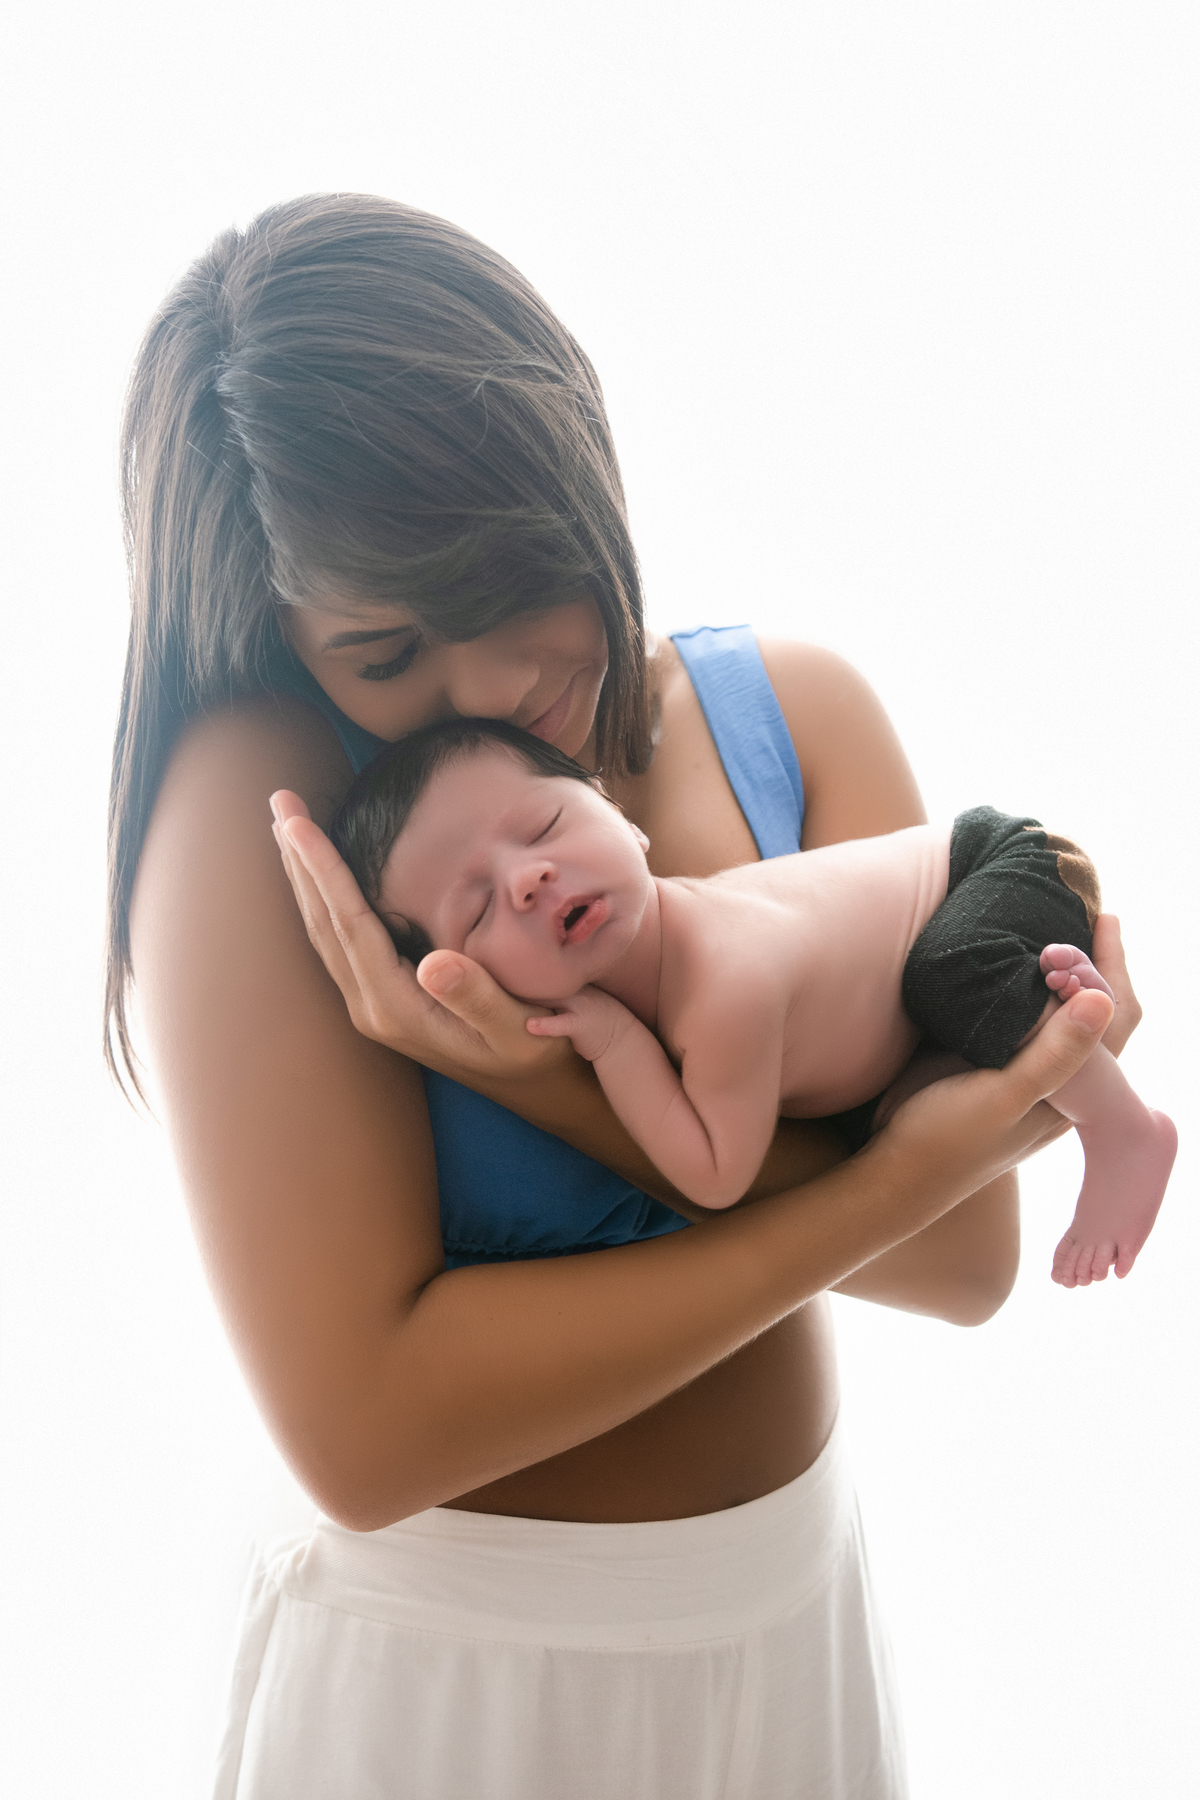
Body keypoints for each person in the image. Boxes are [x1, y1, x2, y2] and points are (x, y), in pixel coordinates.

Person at [107, 193, 1134, 1800]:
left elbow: (959, 1264)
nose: (484, 691)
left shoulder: (782, 711)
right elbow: (366, 1437)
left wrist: (540, 1082)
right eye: (381, 655)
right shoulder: (285, 816)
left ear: (564, 469)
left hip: (787, 1617)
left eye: (501, 581)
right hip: (451, 1680)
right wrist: (906, 1164)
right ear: (291, 637)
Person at [329, 717, 1174, 1287]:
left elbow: (717, 1174)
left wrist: (617, 1042)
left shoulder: (725, 982)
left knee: (951, 975)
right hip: (960, 945)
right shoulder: (680, 957)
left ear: (621, 818)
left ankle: (1124, 1127)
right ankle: (1039, 1007)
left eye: (545, 826)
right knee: (901, 1117)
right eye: (475, 909)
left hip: (1001, 866)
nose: (527, 878)